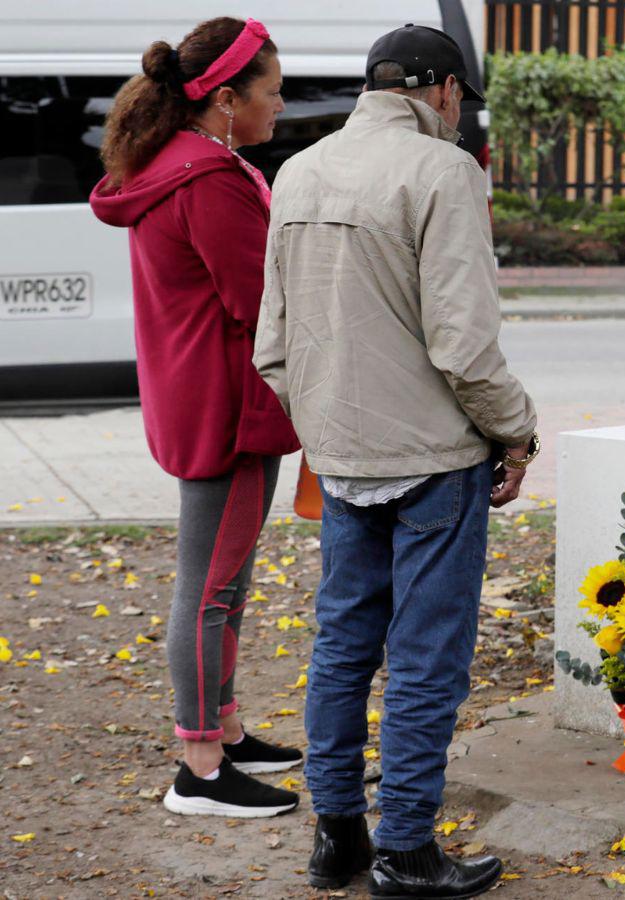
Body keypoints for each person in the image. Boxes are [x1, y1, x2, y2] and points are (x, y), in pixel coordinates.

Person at [254, 23, 537, 897]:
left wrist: (327, 424)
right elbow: (463, 345)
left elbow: (273, 345)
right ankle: (408, 850)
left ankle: (337, 837)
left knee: (342, 644)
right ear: (444, 93)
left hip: (340, 458)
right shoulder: (445, 173)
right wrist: (515, 430)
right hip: (432, 460)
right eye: (461, 103)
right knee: (425, 657)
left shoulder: (299, 169)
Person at [90, 16, 304, 818]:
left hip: (202, 395)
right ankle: (202, 768)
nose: (280, 107)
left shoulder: (177, 162)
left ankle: (226, 728)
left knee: (222, 582)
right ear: (224, 100)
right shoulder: (209, 178)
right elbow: (263, 303)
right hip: (229, 407)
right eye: (273, 93)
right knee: (210, 590)